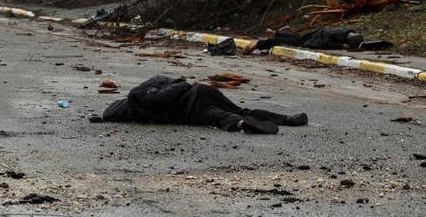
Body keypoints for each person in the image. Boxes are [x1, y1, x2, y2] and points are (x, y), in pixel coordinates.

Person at [100, 75, 308, 134]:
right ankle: (287, 119)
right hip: (199, 93)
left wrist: (182, 85)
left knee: (220, 117)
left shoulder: (140, 101)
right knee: (237, 110)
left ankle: (242, 125)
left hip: (193, 106)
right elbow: (174, 83)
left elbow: (165, 94)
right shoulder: (144, 99)